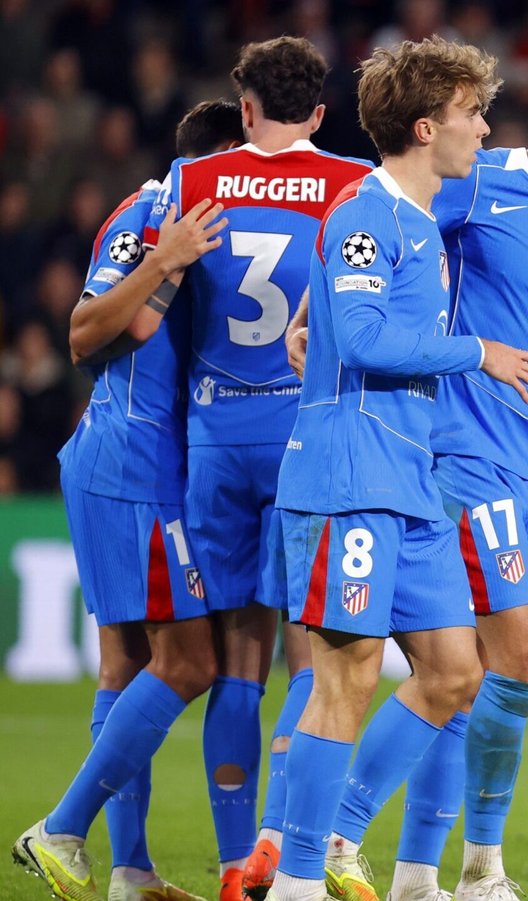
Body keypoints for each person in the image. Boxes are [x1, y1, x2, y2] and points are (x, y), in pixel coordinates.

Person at [321, 41, 528, 901]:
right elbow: (391, 233)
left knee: (475, 679)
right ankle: (373, 841)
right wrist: (325, 320)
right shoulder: (477, 182)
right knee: (522, 655)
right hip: (463, 451)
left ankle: (427, 873)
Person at [264, 37, 528, 901]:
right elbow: (361, 338)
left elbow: (335, 322)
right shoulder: (366, 213)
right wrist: (480, 352)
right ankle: (299, 880)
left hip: (410, 479)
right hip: (348, 473)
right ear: (427, 127)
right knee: (345, 675)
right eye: (470, 113)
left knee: (456, 670)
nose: (482, 127)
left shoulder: (418, 221)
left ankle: (339, 832)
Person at [128, 36, 375, 901]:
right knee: (318, 655)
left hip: (215, 440)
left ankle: (239, 867)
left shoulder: (189, 183)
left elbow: (152, 305)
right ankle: (292, 842)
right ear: (317, 112)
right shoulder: (350, 184)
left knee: (239, 658)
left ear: (242, 107)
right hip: (306, 437)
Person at [11, 100, 239, 901]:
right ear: (214, 166)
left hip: (138, 465)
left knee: (127, 661)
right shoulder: (156, 217)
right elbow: (82, 334)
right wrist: (163, 259)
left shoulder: (179, 217)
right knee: (193, 660)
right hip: (133, 468)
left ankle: (131, 869)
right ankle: (62, 828)